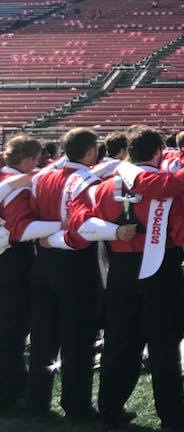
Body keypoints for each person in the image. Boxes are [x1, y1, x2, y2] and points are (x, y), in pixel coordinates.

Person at [70, 125, 184, 432]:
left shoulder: (105, 186)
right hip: (160, 270)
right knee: (163, 346)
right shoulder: (165, 187)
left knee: (119, 342)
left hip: (120, 270)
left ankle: (109, 408)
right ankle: (172, 417)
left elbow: (83, 221)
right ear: (159, 152)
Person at [26, 128, 104, 420]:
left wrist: (45, 238)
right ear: (90, 152)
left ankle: (36, 401)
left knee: (43, 336)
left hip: (43, 262)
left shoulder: (42, 176)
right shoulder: (87, 180)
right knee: (78, 337)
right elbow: (82, 229)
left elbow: (32, 216)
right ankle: (76, 403)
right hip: (75, 265)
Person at [0, 135, 60, 411]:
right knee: (13, 327)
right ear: (27, 159)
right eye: (37, 159)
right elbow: (19, 230)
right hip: (12, 261)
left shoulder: (6, 177)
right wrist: (61, 224)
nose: (40, 164)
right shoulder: (18, 188)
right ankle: (10, 386)